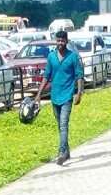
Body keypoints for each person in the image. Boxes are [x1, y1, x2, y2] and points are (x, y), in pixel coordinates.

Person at [34, 31, 84, 165]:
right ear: (56, 41)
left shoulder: (73, 57)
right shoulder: (51, 57)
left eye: (62, 41)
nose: (60, 43)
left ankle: (61, 152)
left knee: (63, 124)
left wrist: (79, 93)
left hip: (67, 96)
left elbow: (79, 75)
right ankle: (66, 152)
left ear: (67, 41)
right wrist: (38, 95)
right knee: (60, 126)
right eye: (58, 41)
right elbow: (46, 76)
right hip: (54, 96)